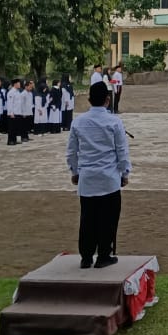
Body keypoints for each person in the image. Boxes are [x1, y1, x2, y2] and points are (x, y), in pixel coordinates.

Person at [67, 82, 132, 269]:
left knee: (87, 218)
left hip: (87, 178)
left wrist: (74, 171)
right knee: (109, 219)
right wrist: (124, 173)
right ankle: (104, 254)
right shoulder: (114, 122)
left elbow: (72, 151)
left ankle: (86, 257)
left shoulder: (78, 122)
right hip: (109, 178)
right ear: (108, 100)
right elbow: (122, 150)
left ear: (88, 100)